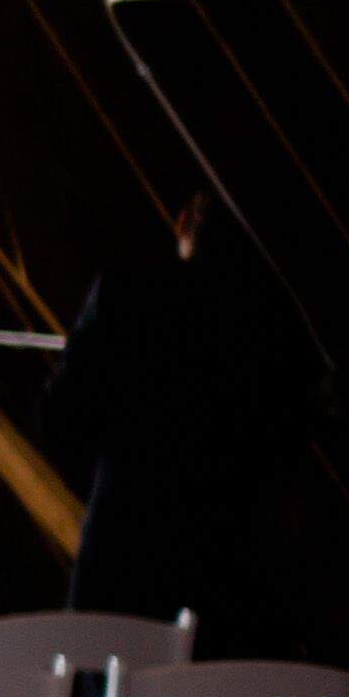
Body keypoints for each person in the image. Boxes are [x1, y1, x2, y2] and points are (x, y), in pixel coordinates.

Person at [36, 194, 302, 638]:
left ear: (182, 223)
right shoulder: (281, 329)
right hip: (236, 580)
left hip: (124, 562)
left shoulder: (127, 293)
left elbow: (58, 420)